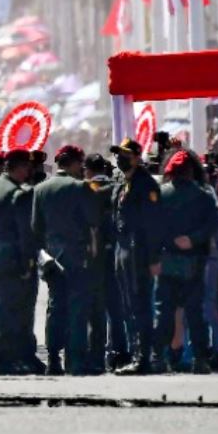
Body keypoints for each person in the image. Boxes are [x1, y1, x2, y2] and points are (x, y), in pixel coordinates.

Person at [29, 144, 99, 377]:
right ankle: (75, 359)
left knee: (55, 307)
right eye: (80, 163)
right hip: (77, 255)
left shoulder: (40, 189)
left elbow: (35, 227)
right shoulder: (80, 188)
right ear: (74, 163)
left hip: (50, 257)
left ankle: (53, 358)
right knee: (77, 308)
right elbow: (91, 220)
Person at [150, 150, 218, 374]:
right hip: (195, 259)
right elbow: (212, 226)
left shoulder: (161, 194)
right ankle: (200, 358)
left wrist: (156, 255)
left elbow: (154, 229)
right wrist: (192, 239)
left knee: (164, 312)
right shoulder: (204, 196)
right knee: (195, 312)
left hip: (167, 259)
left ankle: (158, 356)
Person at [0, 149, 40, 374]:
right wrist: (28, 263)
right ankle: (7, 358)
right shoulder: (20, 193)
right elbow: (26, 233)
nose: (29, 172)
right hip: (13, 257)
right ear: (20, 167)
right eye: (27, 167)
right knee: (16, 310)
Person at [111, 139, 164, 375]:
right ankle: (135, 353)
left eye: (125, 154)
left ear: (136, 156)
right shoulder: (124, 183)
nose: (119, 159)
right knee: (127, 305)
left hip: (139, 250)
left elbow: (153, 224)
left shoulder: (146, 184)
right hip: (123, 249)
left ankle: (144, 357)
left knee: (140, 305)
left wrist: (154, 257)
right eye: (118, 154)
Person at [83, 153, 119, 373]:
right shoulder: (117, 188)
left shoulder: (84, 190)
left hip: (92, 258)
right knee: (116, 309)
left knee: (94, 310)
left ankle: (95, 355)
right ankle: (117, 353)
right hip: (115, 254)